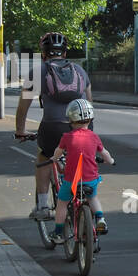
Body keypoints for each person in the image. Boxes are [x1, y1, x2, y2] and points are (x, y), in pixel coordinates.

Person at [15, 31, 92, 220]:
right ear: (65, 53)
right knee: (82, 158)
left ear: (43, 53)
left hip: (52, 127)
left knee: (44, 155)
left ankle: (42, 206)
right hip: (83, 128)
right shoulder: (80, 71)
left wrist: (20, 131)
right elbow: (89, 104)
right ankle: (89, 206)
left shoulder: (37, 72)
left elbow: (23, 107)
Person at [50, 98, 114, 240]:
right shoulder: (94, 137)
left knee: (62, 204)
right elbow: (105, 154)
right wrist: (111, 161)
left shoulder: (67, 137)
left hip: (71, 182)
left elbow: (58, 152)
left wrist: (54, 159)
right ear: (90, 119)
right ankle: (100, 219)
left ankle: (58, 232)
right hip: (90, 180)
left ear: (70, 120)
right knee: (93, 198)